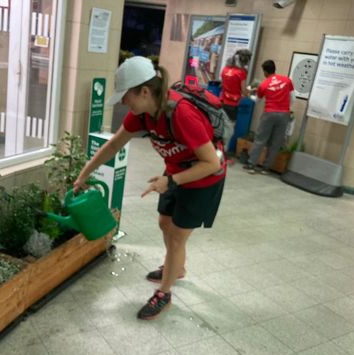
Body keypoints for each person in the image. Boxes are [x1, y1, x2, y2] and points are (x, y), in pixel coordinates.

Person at [73, 56, 226, 320]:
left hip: (203, 177)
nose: (123, 103)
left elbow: (211, 163)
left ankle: (164, 294)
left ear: (144, 91)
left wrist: (171, 181)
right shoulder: (142, 115)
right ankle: (176, 268)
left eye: (125, 96)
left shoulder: (182, 114)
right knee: (165, 223)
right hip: (177, 172)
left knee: (178, 235)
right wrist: (83, 174)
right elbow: (112, 145)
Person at [243, 59, 294, 175]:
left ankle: (251, 165)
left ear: (265, 71)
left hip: (269, 114)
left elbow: (257, 101)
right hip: (284, 114)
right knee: (276, 142)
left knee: (260, 139)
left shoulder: (264, 84)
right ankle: (266, 168)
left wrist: (249, 95)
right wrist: (285, 107)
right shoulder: (287, 80)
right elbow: (293, 98)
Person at [220, 49, 252, 122]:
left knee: (222, 123)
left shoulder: (225, 69)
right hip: (233, 103)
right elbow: (244, 91)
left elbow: (222, 84)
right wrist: (250, 91)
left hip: (223, 101)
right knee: (230, 125)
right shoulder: (241, 72)